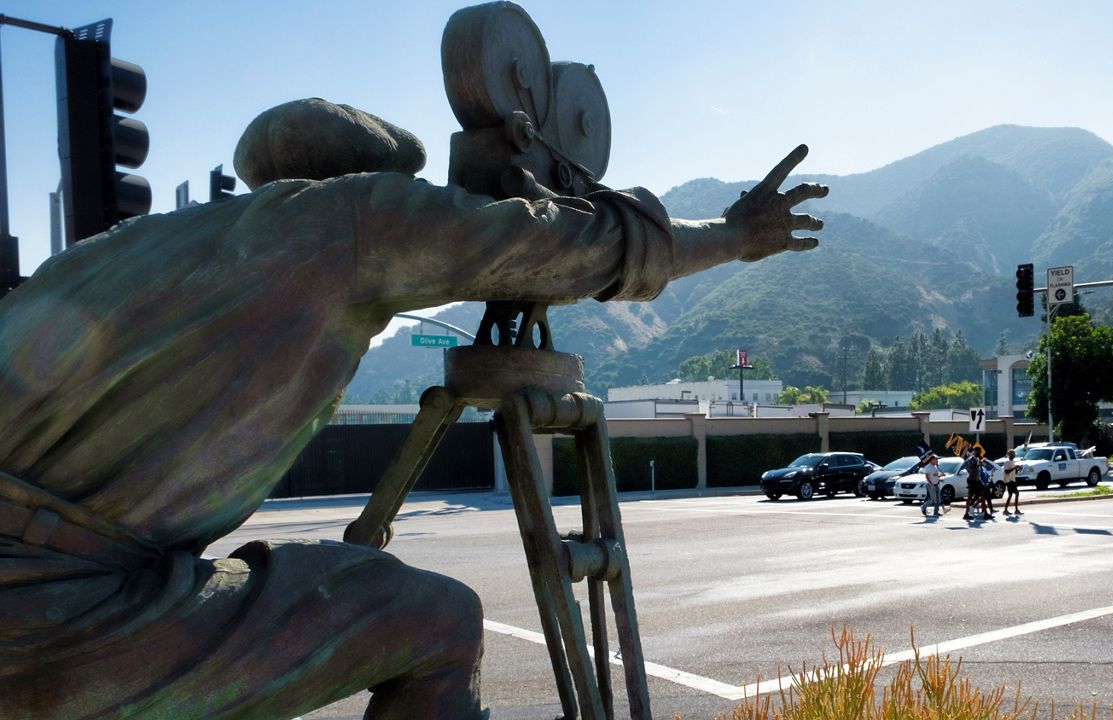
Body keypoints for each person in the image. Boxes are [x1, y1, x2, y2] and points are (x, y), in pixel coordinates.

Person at [0, 98, 828, 719]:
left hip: (60, 575)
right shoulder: (349, 216)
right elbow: (572, 249)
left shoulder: (123, 250)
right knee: (435, 620)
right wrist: (731, 232)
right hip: (60, 611)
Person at [919, 453, 944, 518]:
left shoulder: (935, 466)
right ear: (932, 460)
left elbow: (935, 475)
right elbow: (927, 476)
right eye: (936, 459)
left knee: (938, 499)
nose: (937, 461)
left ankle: (936, 512)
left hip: (936, 484)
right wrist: (931, 484)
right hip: (931, 485)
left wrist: (939, 478)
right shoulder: (928, 467)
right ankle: (923, 507)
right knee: (933, 499)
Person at [1002, 449, 1023, 515]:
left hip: (1012, 480)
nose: (1014, 456)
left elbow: (1013, 471)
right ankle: (1016, 509)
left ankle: (1006, 510)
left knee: (1010, 495)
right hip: (1009, 481)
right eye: (1013, 455)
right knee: (1016, 493)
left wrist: (1018, 469)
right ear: (1010, 455)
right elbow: (1006, 471)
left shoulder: (1012, 462)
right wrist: (1015, 467)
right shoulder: (1007, 462)